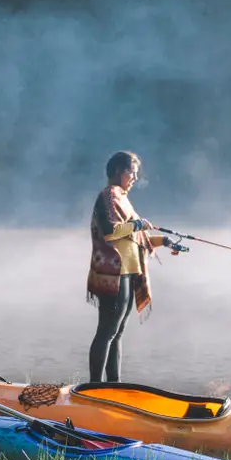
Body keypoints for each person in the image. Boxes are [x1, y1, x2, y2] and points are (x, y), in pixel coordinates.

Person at [87, 150, 176, 383]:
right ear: (118, 171)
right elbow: (110, 232)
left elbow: (138, 239)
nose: (135, 177)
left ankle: (113, 385)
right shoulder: (109, 196)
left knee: (117, 334)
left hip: (126, 273)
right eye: (131, 172)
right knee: (107, 332)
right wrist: (137, 223)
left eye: (136, 173)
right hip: (113, 275)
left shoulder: (122, 198)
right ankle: (94, 387)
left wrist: (165, 241)